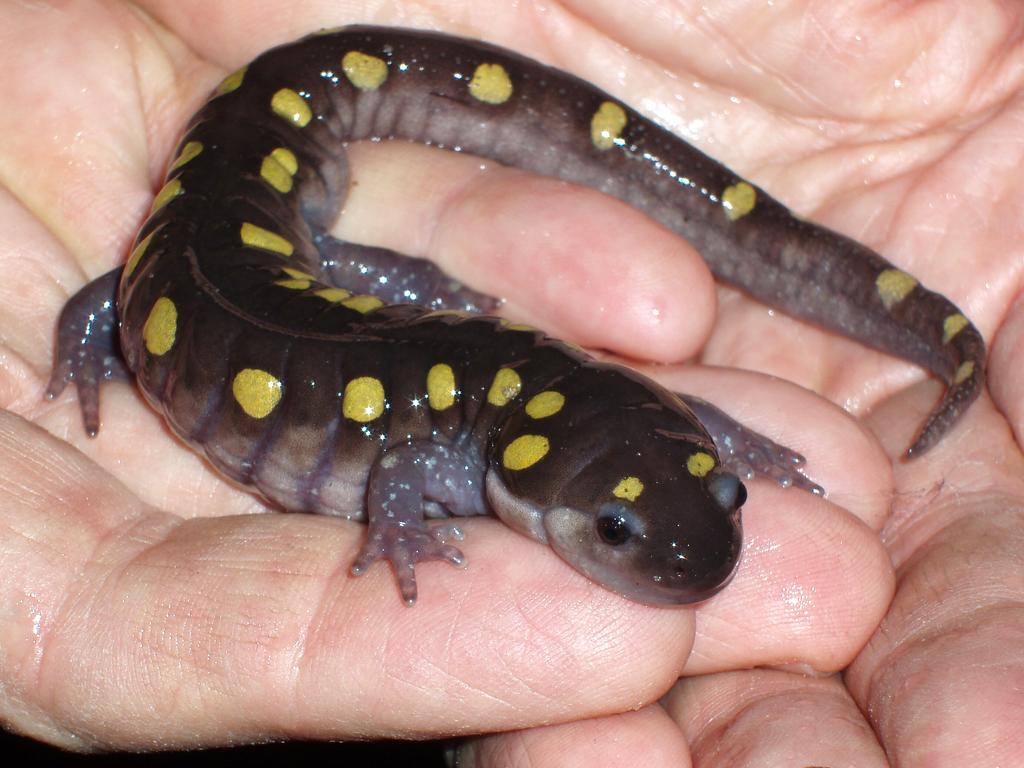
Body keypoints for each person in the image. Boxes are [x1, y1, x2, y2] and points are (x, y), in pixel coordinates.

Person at [0, 1, 1020, 765]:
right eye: (612, 532)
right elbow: (407, 469)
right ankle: (117, 317)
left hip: (272, 233)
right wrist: (93, 333)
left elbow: (660, 422)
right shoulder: (454, 444)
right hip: (209, 265)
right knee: (150, 290)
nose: (682, 543)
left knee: (235, 276)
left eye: (720, 486)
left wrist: (728, 448)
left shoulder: (587, 419)